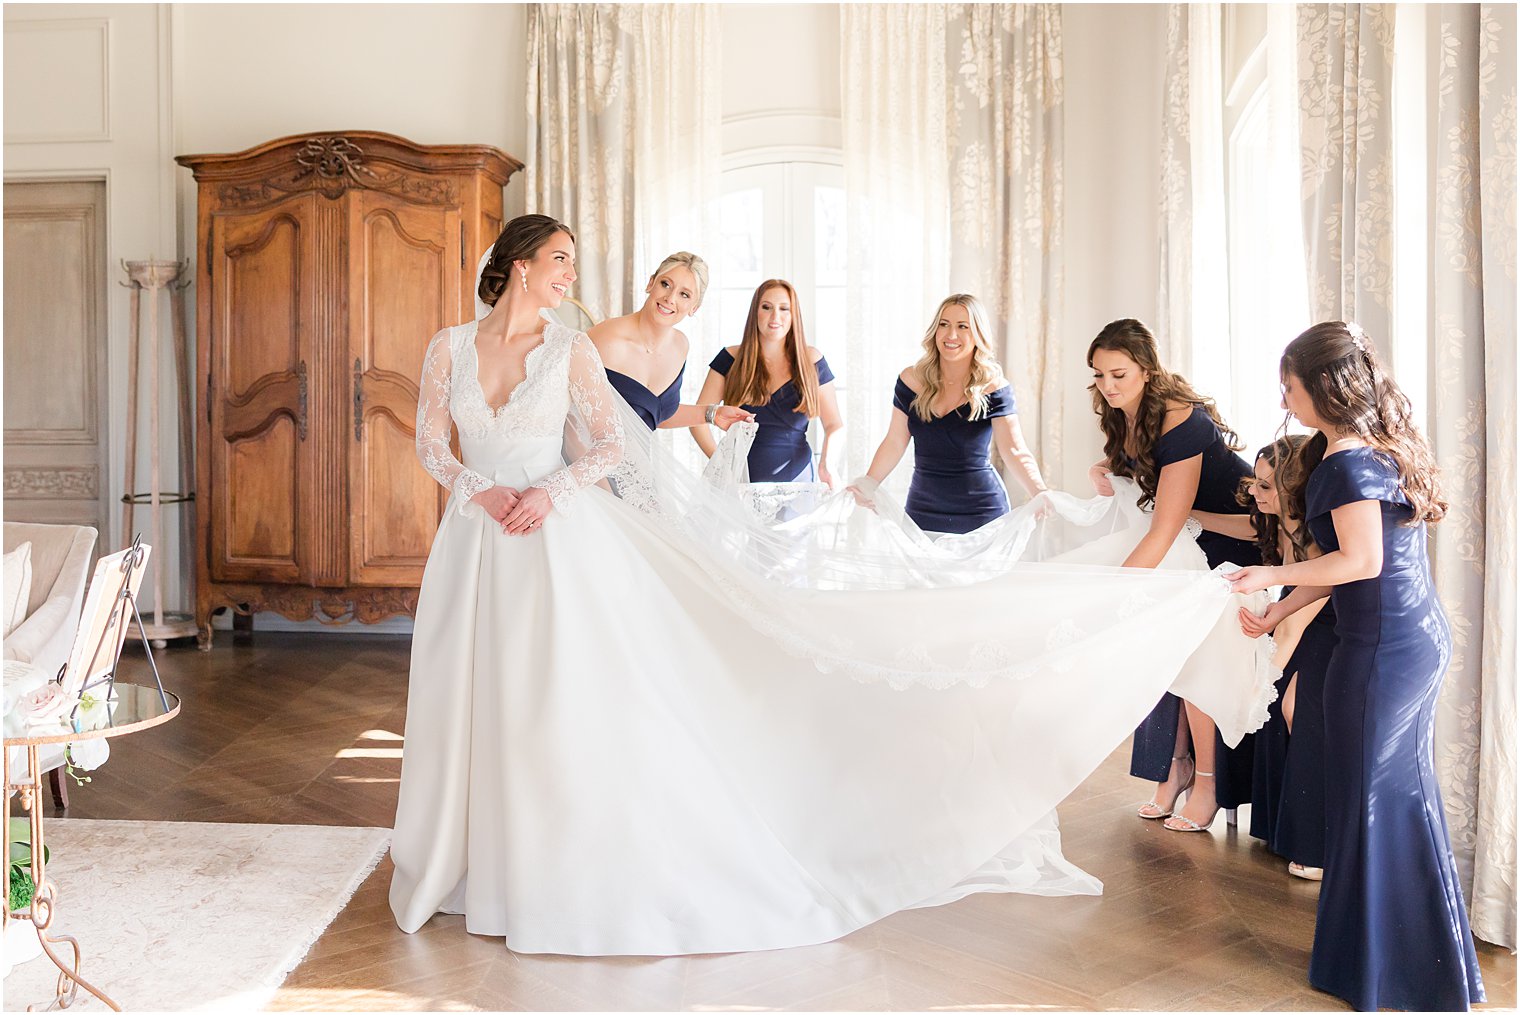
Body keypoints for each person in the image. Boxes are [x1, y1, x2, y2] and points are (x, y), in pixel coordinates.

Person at [388, 214, 1274, 958]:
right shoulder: (448, 347)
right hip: (475, 540)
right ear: (514, 265)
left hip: (551, 534)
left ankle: (536, 864)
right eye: (559, 263)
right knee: (473, 698)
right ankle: (466, 858)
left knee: (547, 702)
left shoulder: (571, 350)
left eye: (572, 265)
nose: (570, 277)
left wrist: (544, 490)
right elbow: (433, 443)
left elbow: (615, 445)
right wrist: (483, 489)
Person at [1227, 322, 1485, 1011]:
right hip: (1404, 639)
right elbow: (1349, 563)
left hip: (1382, 650)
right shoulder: (1369, 447)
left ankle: (1388, 968)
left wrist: (1268, 572)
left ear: (1322, 387)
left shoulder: (1343, 460)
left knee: (1374, 801)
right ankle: (1401, 961)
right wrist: (1280, 609)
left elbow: (1360, 561)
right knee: (1384, 798)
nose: (1283, 395)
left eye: (1290, 383)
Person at [1087, 319, 1259, 832]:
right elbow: (1143, 471)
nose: (1108, 386)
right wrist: (1104, 467)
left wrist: (1107, 598)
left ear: (1147, 369)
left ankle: (1207, 780)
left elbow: (1162, 530)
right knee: (1166, 653)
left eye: (1118, 374)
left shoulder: (1182, 418)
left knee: (1199, 656)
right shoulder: (1125, 411)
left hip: (1233, 540)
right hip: (1189, 537)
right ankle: (1177, 768)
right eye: (1098, 375)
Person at [1192, 435, 1332, 879]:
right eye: (1255, 482)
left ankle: (1313, 837)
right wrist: (1188, 514)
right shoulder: (1275, 520)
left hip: (1327, 622)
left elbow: (1296, 624)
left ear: (1294, 488)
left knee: (1284, 704)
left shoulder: (1314, 534)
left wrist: (1265, 680)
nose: (1255, 493)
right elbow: (1245, 527)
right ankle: (1271, 822)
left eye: (1266, 487)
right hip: (1292, 614)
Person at [847, 295, 1047, 534]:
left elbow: (1014, 449)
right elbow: (895, 441)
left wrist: (1039, 492)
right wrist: (869, 483)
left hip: (982, 513)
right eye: (944, 324)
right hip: (923, 510)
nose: (951, 335)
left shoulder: (993, 387)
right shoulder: (910, 381)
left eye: (963, 326)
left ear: (977, 335)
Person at [691, 279, 843, 485]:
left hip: (798, 483)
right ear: (755, 312)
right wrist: (722, 465)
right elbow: (697, 420)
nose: (775, 317)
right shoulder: (729, 358)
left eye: (784, 308)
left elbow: (834, 424)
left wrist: (827, 464)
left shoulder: (812, 360)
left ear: (793, 315)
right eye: (766, 307)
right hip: (739, 483)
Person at [586, 251, 751, 433]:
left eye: (684, 295)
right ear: (651, 283)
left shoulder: (680, 345)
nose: (670, 299)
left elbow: (656, 414)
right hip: (592, 457)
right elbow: (567, 412)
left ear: (694, 307)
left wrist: (713, 414)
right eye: (665, 284)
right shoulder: (605, 339)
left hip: (639, 459)